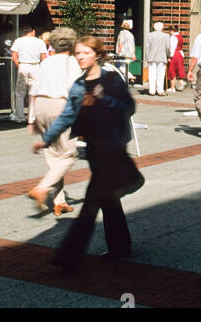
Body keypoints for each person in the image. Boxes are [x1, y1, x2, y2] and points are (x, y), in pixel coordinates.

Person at [36, 36, 137, 271]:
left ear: (97, 54)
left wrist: (106, 99)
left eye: (85, 53)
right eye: (77, 53)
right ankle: (121, 246)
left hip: (112, 147)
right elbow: (67, 115)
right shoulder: (78, 85)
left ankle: (69, 255)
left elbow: (129, 107)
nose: (80, 57)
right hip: (94, 148)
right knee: (108, 199)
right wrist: (47, 138)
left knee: (90, 205)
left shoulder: (111, 79)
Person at [27, 26, 82, 217]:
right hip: (60, 105)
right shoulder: (71, 62)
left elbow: (33, 90)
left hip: (41, 104)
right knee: (68, 155)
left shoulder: (46, 62)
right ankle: (41, 189)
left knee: (53, 156)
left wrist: (31, 118)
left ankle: (59, 202)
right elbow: (75, 91)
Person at [10, 25, 47, 123]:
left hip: (23, 65)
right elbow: (43, 57)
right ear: (33, 32)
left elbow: (14, 57)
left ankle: (19, 117)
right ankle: (32, 118)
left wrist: (20, 66)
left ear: (24, 32)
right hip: (36, 66)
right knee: (34, 93)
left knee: (20, 93)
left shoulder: (18, 40)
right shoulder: (40, 42)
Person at [144, 21, 172, 96]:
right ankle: (160, 90)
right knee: (161, 74)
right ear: (162, 28)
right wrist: (168, 56)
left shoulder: (149, 35)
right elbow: (168, 48)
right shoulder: (166, 36)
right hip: (162, 57)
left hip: (151, 57)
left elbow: (147, 48)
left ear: (154, 28)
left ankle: (152, 90)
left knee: (152, 74)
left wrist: (146, 57)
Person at [168, 24, 186, 90]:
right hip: (180, 53)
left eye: (169, 31)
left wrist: (170, 56)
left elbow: (172, 47)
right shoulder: (180, 36)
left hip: (175, 54)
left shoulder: (173, 37)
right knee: (179, 69)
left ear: (171, 30)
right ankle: (181, 82)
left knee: (172, 70)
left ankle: (172, 88)